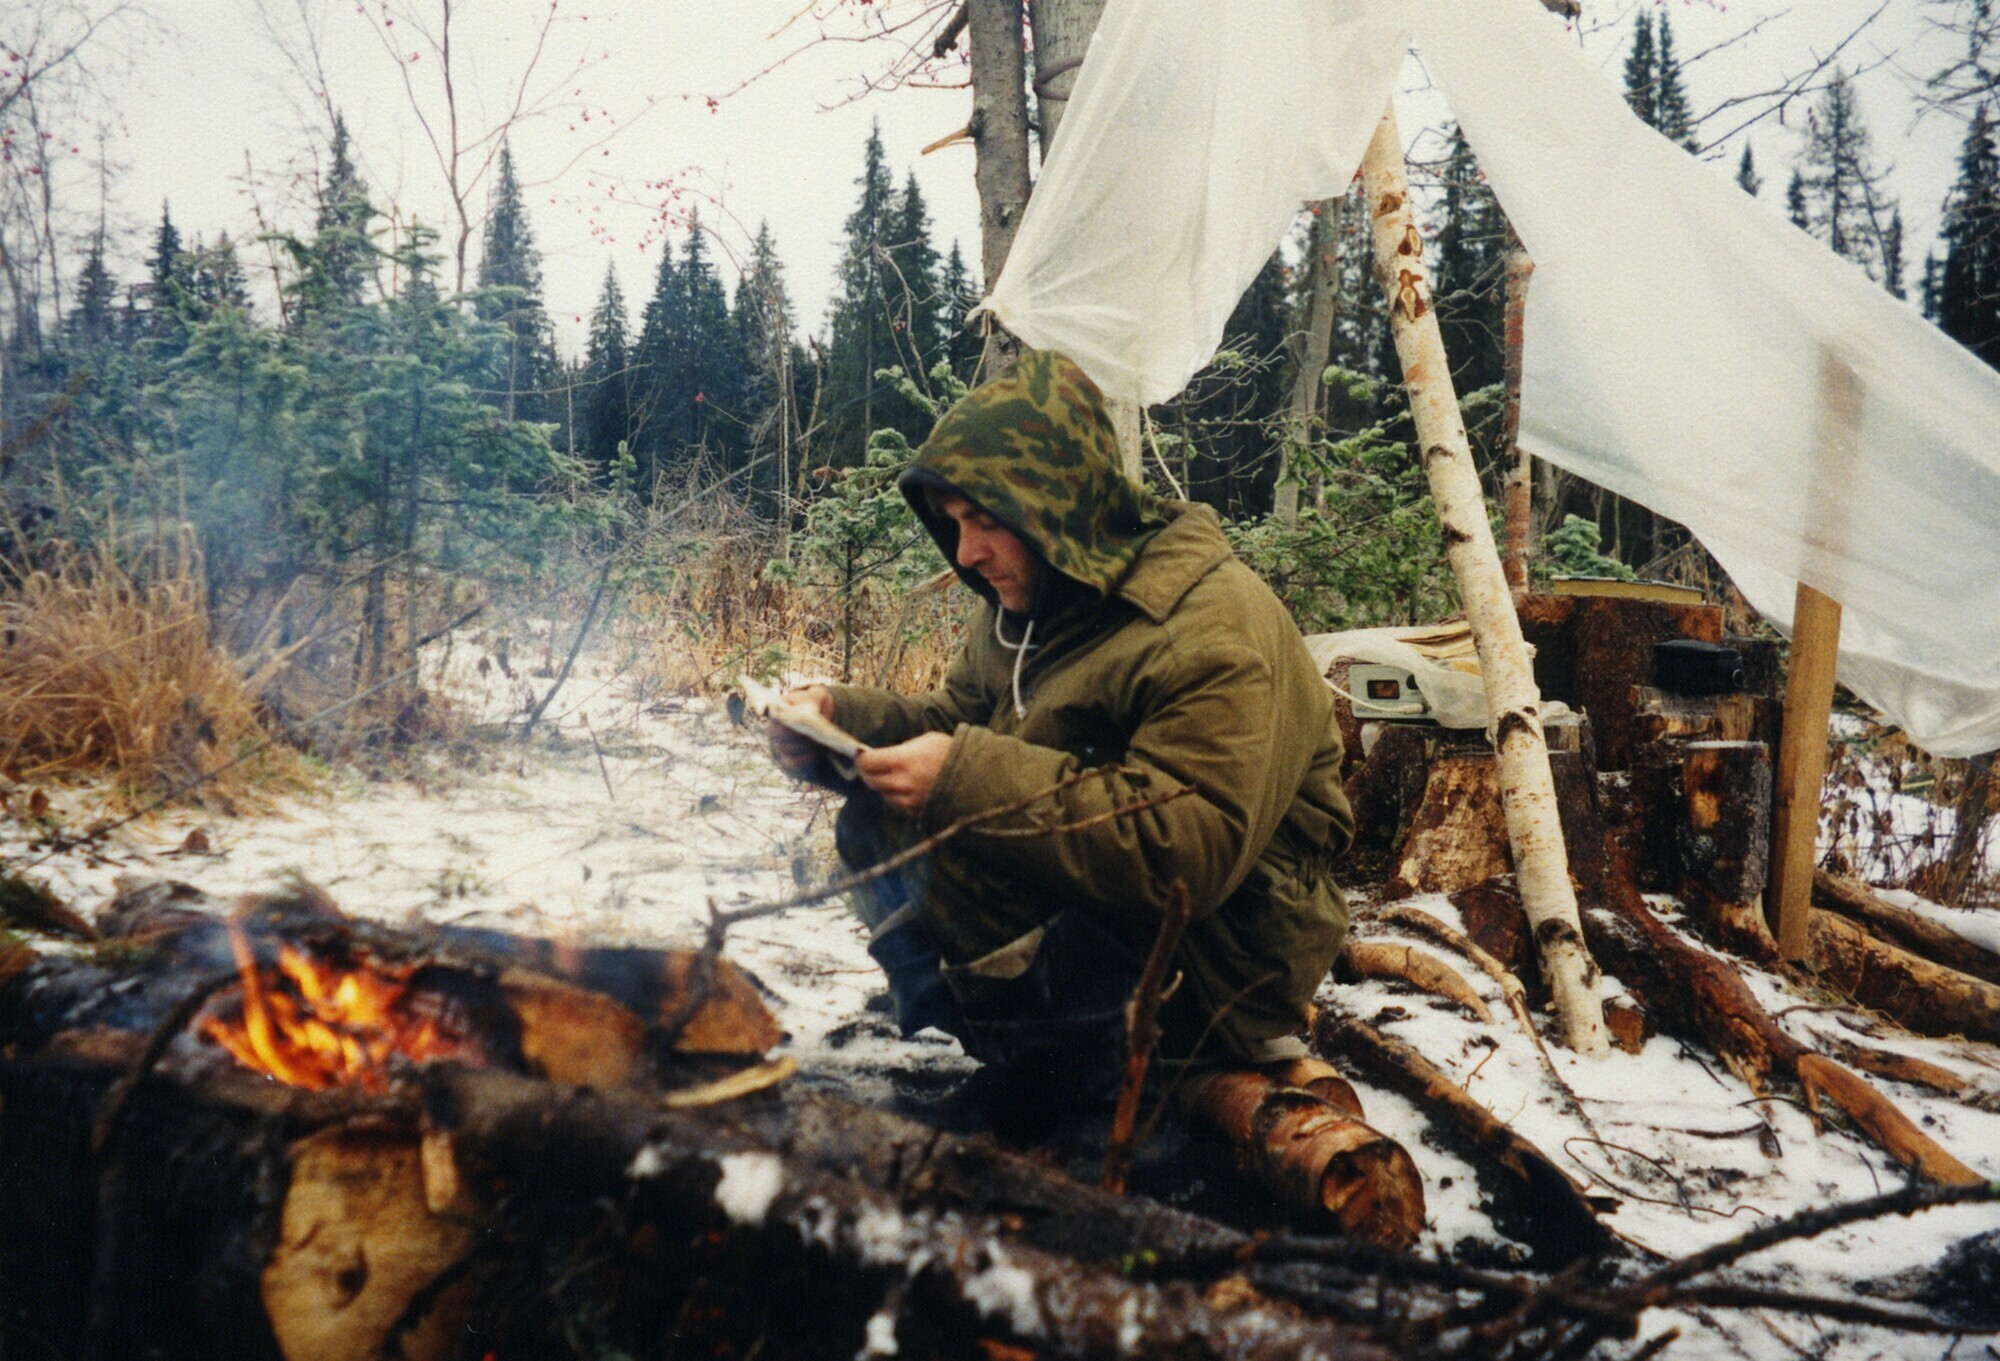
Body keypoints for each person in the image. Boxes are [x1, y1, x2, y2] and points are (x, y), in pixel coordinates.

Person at [769, 349, 1353, 1104]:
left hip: (1225, 958)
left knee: (961, 843)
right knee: (878, 824)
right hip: (1112, 924)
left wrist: (964, 779)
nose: (968, 553)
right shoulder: (1033, 600)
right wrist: (836, 721)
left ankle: (1082, 1097)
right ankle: (1013, 1047)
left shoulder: (1209, 623)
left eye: (986, 521)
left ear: (1063, 509)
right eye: (953, 523)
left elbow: (1189, 850)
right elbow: (957, 719)